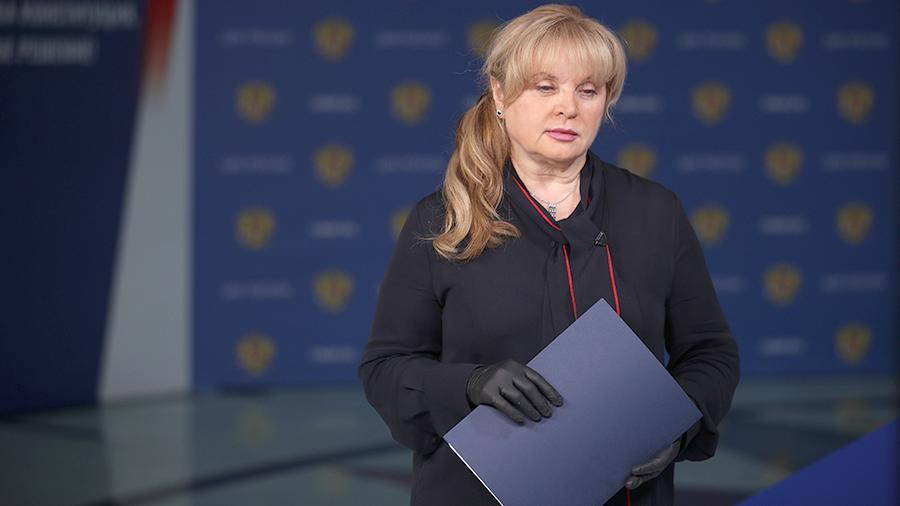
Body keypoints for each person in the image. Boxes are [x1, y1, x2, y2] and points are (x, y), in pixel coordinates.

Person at [357, 4, 740, 506]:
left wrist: (677, 423)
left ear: (606, 102)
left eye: (588, 90)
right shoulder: (442, 219)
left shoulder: (655, 210)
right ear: (499, 93)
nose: (568, 108)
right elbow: (385, 368)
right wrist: (470, 384)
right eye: (545, 87)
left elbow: (710, 353)